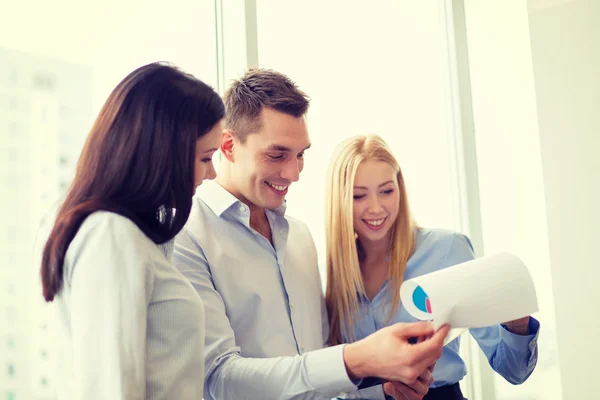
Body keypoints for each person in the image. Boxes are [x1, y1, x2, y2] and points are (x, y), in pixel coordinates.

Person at [173, 68, 449, 400]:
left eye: (301, 154)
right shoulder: (186, 237)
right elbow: (218, 380)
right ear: (229, 146)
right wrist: (356, 359)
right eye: (277, 154)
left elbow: (318, 375)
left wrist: (384, 389)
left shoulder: (300, 237)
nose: (293, 173)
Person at [34, 62, 225, 400]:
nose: (210, 174)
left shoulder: (136, 237)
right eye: (205, 158)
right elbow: (112, 389)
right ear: (165, 154)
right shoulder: (110, 235)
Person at [325, 135, 540, 400]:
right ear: (340, 200)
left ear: (400, 189)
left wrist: (516, 324)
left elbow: (513, 370)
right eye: (359, 195)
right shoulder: (332, 277)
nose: (376, 207)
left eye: (386, 191)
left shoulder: (447, 249)